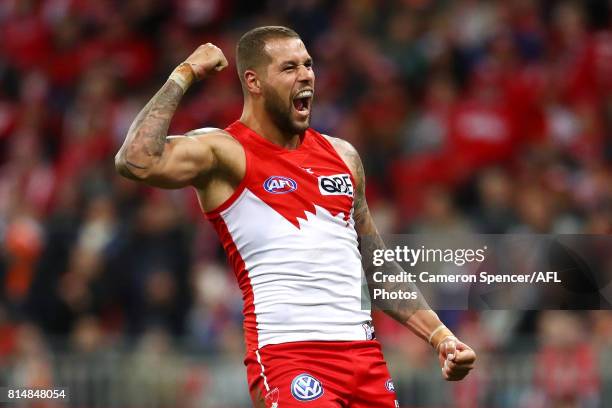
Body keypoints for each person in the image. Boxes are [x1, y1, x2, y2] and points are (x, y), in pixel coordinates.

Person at [115, 26, 476, 408]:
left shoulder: (343, 157)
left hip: (364, 359)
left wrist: (440, 337)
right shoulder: (226, 151)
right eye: (289, 67)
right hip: (289, 358)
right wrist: (184, 73)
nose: (306, 75)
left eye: (308, 64)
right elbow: (136, 160)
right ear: (253, 82)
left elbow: (377, 268)